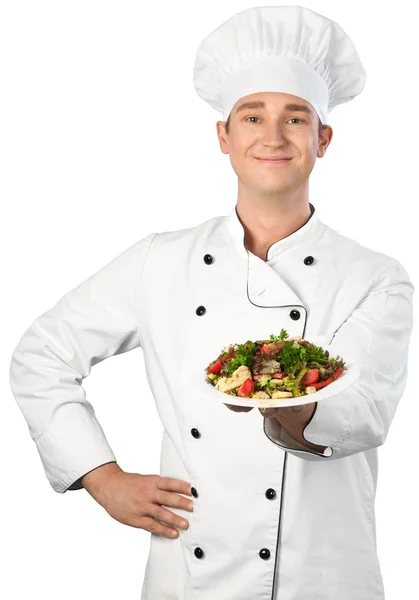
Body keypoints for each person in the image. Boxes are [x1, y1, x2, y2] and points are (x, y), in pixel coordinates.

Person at [9, 6, 414, 600]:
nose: (273, 137)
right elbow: (40, 355)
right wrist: (102, 478)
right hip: (188, 575)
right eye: (253, 116)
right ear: (224, 136)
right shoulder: (160, 261)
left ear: (323, 139)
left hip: (323, 575)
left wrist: (292, 411)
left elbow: (364, 410)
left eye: (295, 118)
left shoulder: (377, 277)